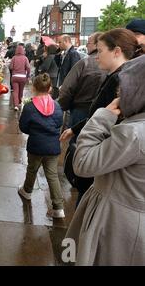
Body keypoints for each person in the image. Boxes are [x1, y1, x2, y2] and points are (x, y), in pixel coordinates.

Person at [65, 54, 145, 265]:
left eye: (124, 88)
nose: (119, 93)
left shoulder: (134, 133)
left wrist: (101, 117)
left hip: (114, 221)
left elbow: (83, 164)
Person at [60, 28, 141, 206]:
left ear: (117, 51)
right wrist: (74, 129)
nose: (97, 56)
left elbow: (105, 118)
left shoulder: (119, 80)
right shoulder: (117, 76)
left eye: (101, 50)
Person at [18, 73, 65, 218]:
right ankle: (58, 208)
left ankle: (27, 191)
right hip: (53, 146)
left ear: (34, 87)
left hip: (36, 145)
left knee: (32, 169)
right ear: (50, 88)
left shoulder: (29, 107)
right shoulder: (57, 106)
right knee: (52, 175)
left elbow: (23, 127)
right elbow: (59, 124)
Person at [58, 32, 107, 128]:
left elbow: (67, 88)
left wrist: (63, 105)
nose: (86, 46)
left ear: (98, 44)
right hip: (102, 112)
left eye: (88, 43)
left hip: (80, 109)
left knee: (76, 140)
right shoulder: (113, 64)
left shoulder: (84, 62)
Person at [9, 45, 31, 111]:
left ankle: (16, 105)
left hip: (15, 77)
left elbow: (11, 67)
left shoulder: (14, 58)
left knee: (15, 91)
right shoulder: (25, 58)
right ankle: (19, 103)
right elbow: (28, 68)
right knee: (21, 91)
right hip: (23, 77)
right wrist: (27, 76)